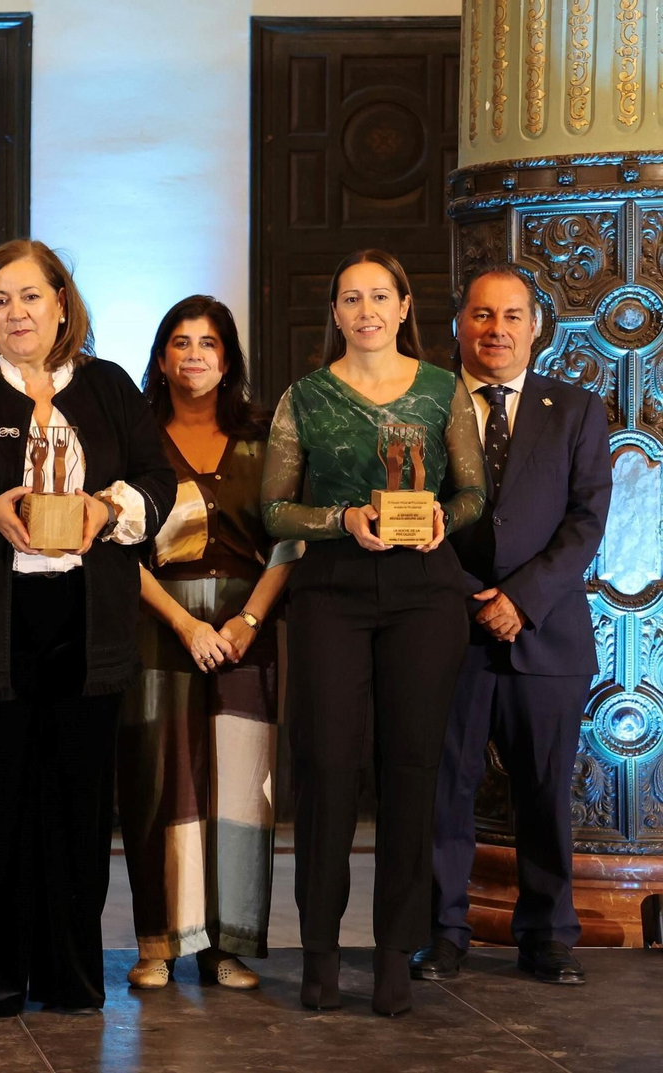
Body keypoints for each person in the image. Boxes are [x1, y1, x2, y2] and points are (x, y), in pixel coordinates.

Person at [0, 239, 176, 1017]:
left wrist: (106, 508)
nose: (14, 314)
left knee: (79, 813)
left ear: (61, 303)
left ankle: (73, 979)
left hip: (86, 627)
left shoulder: (111, 388)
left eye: (28, 297)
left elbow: (160, 484)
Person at [261, 248, 486, 1016]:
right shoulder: (306, 396)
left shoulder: (441, 389)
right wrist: (344, 519)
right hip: (332, 589)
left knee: (412, 766)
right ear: (336, 312)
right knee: (324, 766)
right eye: (350, 297)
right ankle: (319, 948)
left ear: (402, 306)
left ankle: (397, 949)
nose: (365, 310)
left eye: (378, 296)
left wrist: (439, 522)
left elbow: (472, 493)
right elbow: (274, 510)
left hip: (425, 594)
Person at [411, 265, 611, 987]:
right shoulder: (422, 406)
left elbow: (587, 520)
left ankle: (549, 935)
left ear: (536, 326)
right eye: (482, 314)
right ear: (459, 322)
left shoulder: (578, 409)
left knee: (544, 791)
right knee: (445, 790)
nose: (496, 329)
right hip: (446, 630)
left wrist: (520, 599)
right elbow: (408, 514)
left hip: (547, 632)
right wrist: (471, 596)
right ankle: (441, 932)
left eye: (512, 316)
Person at [119, 296, 298, 992]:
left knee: (238, 790)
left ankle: (226, 945)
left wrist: (246, 622)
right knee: (159, 785)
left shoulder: (263, 433)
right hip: (159, 625)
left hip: (245, 628)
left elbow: (289, 539)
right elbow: (117, 541)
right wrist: (186, 624)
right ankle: (157, 940)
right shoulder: (137, 436)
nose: (195, 355)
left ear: (228, 360)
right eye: (181, 342)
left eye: (210, 343)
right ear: (161, 358)